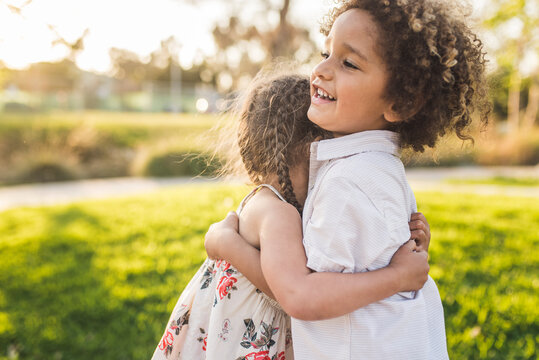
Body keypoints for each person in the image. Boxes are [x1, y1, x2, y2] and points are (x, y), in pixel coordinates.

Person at [205, 0, 490, 359]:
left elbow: (301, 295)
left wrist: (227, 245)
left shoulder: (349, 180)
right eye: (325, 52)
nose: (320, 70)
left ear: (401, 103)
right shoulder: (376, 167)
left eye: (348, 62)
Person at [151, 72, 432, 360]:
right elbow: (291, 293)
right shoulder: (278, 213)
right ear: (313, 147)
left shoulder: (271, 202)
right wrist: (397, 276)